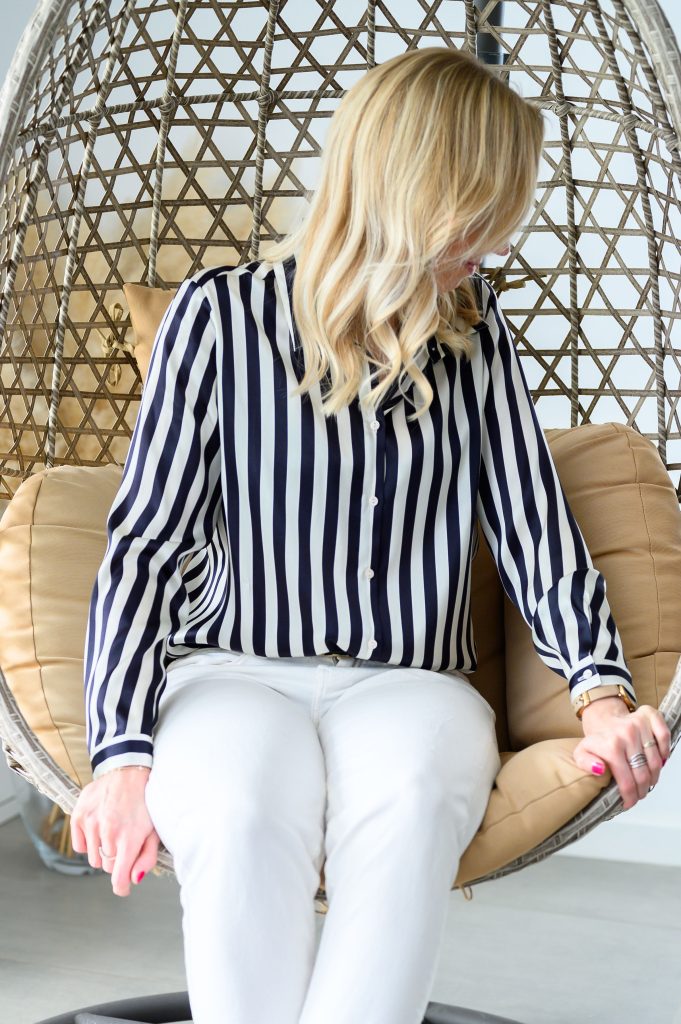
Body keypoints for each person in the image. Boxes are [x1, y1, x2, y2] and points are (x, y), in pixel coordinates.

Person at [70, 45, 671, 1024]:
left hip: (413, 682)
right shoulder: (217, 321)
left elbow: (535, 532)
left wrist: (601, 695)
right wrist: (121, 758)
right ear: (414, 185)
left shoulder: (476, 341)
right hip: (230, 667)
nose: (495, 245)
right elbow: (146, 541)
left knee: (415, 794)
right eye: (482, 215)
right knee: (236, 803)